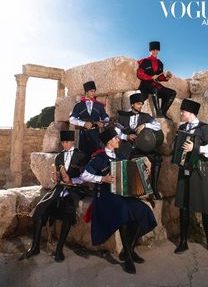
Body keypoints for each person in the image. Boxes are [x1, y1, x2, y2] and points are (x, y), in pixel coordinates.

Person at [80, 126, 157, 274]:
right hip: (105, 196)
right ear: (109, 142)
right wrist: (102, 178)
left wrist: (143, 172)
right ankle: (128, 257)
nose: (118, 140)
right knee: (123, 210)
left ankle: (129, 249)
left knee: (145, 211)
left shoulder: (120, 155)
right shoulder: (99, 157)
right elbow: (84, 175)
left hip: (121, 194)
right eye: (116, 138)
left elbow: (129, 172)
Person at [19, 130, 88, 262]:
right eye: (62, 142)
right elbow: (56, 179)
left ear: (73, 141)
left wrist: (72, 181)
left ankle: (59, 249)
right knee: (40, 210)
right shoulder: (59, 157)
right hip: (59, 187)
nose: (64, 144)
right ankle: (35, 247)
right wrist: (54, 179)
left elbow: (85, 178)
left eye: (66, 142)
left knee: (68, 211)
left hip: (74, 189)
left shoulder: (81, 155)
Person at [173, 99, 208, 256]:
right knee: (184, 206)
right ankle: (183, 242)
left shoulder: (204, 128)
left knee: (205, 205)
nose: (181, 113)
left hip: (200, 171)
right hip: (185, 170)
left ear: (191, 113)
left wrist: (196, 147)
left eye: (183, 111)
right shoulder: (181, 128)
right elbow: (177, 147)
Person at [116, 93, 164, 200]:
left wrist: (145, 125)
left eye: (141, 104)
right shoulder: (122, 117)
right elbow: (116, 132)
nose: (140, 106)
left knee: (157, 158)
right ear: (132, 105)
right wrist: (126, 136)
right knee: (121, 162)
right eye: (138, 104)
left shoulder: (145, 116)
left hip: (142, 147)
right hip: (127, 147)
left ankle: (154, 188)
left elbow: (157, 125)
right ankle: (123, 191)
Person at [69, 80, 109, 158]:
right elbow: (72, 119)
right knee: (83, 157)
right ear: (86, 92)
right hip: (83, 135)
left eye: (94, 91)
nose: (93, 93)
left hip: (96, 136)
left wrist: (103, 123)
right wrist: (83, 123)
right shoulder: (78, 105)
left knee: (96, 156)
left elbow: (106, 117)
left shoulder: (99, 106)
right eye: (91, 91)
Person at [137, 41, 176, 120]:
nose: (155, 51)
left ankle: (163, 112)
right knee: (155, 90)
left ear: (158, 51)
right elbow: (140, 74)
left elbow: (159, 77)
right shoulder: (144, 61)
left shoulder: (160, 63)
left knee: (172, 93)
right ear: (150, 51)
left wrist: (166, 78)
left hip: (156, 85)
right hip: (145, 84)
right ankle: (158, 113)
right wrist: (151, 77)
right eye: (153, 50)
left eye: (157, 50)